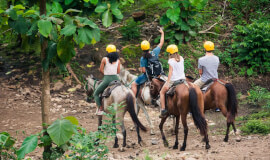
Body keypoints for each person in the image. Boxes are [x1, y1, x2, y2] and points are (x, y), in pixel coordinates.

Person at [131, 27, 164, 96]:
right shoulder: (155, 52)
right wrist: (162, 33)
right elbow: (161, 43)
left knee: (133, 84)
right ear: (149, 47)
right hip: (158, 74)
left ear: (142, 48)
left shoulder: (143, 58)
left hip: (149, 76)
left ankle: (133, 99)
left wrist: (142, 69)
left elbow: (143, 71)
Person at [94, 44, 121, 115]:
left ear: (108, 52)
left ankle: (100, 109)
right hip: (116, 79)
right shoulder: (118, 60)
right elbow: (118, 72)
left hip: (107, 79)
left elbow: (100, 70)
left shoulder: (104, 59)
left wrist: (105, 74)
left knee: (96, 93)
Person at [159, 44, 185, 118]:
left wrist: (167, 82)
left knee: (162, 92)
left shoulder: (171, 60)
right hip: (183, 79)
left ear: (170, 53)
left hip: (174, 80)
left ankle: (163, 109)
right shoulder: (181, 58)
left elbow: (170, 72)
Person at [194, 41, 220, 112]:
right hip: (215, 79)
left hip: (205, 79)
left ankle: (192, 107)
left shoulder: (201, 59)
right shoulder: (217, 58)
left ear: (205, 49)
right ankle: (218, 107)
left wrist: (201, 75)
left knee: (192, 87)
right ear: (213, 49)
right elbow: (215, 68)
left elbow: (200, 72)